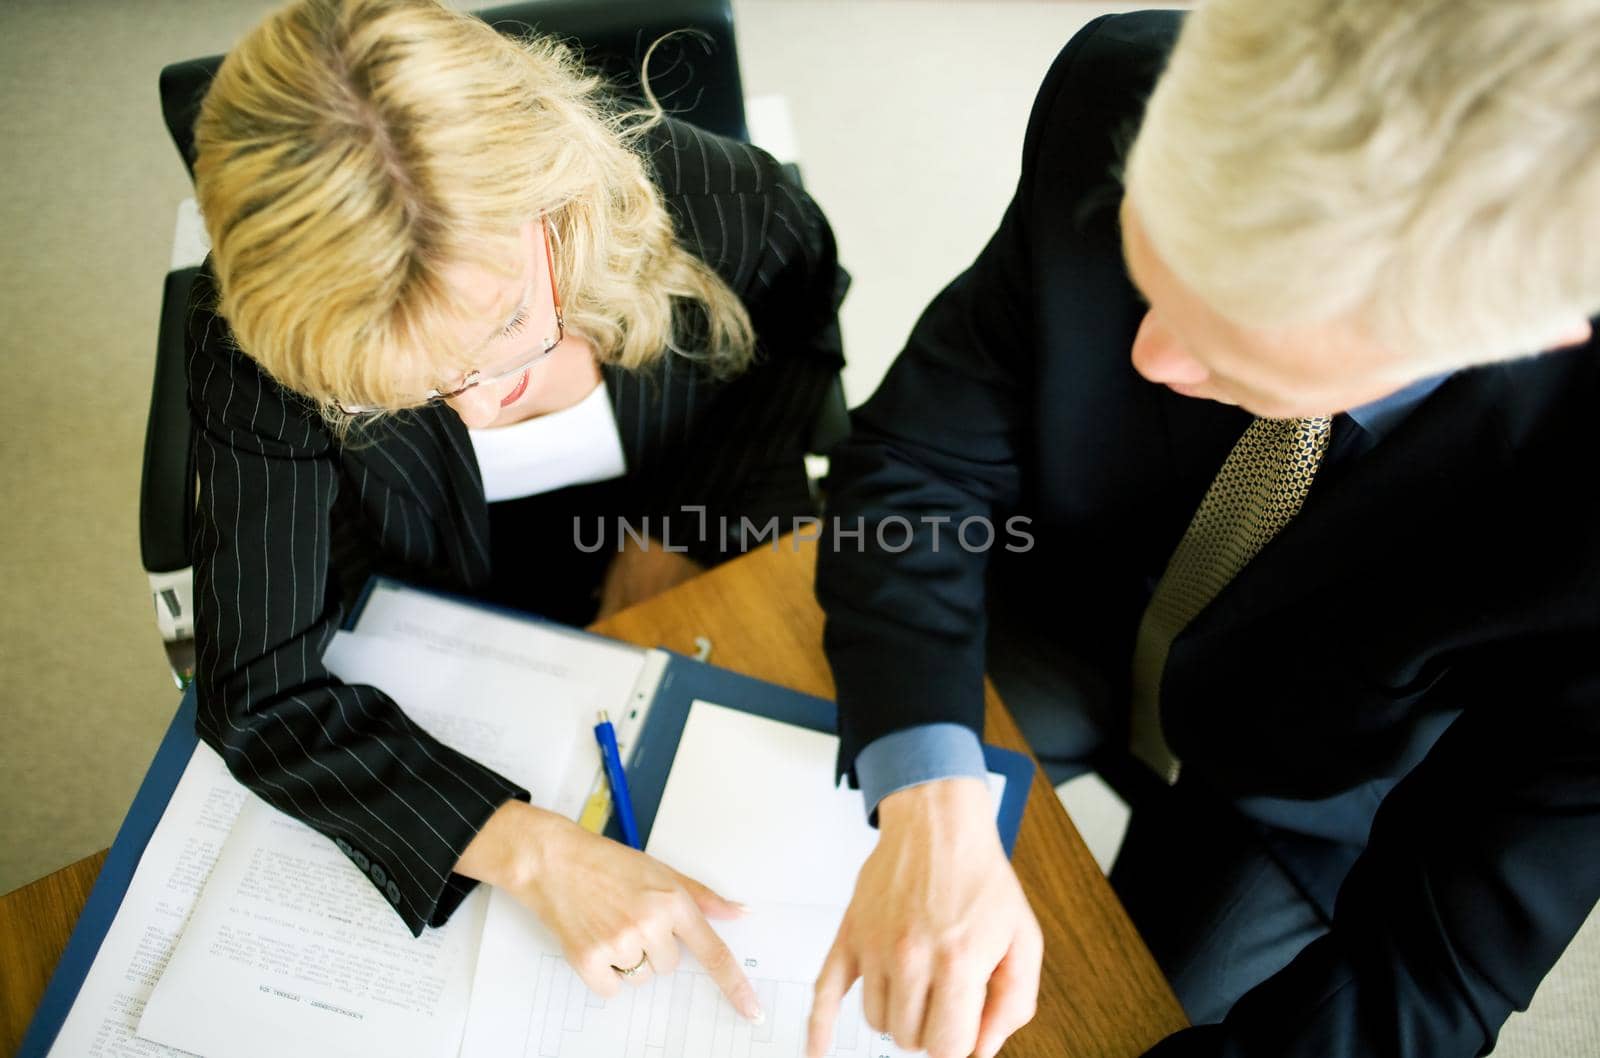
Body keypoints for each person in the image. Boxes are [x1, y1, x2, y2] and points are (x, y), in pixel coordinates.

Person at [808, 5, 1600, 1058]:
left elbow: (1432, 967)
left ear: (1505, 332)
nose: (1148, 357)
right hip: (1075, 598)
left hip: (1313, 782)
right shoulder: (1121, 82)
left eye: (1236, 348)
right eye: (1149, 265)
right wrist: (928, 789)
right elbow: (917, 464)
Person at [186, 0, 845, 1020]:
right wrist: (529, 848)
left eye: (504, 329)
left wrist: (671, 530)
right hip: (435, 585)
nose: (486, 402)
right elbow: (255, 692)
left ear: (556, 205)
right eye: (413, 383)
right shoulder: (261, 350)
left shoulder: (722, 198)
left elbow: (795, 344)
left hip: (681, 511)